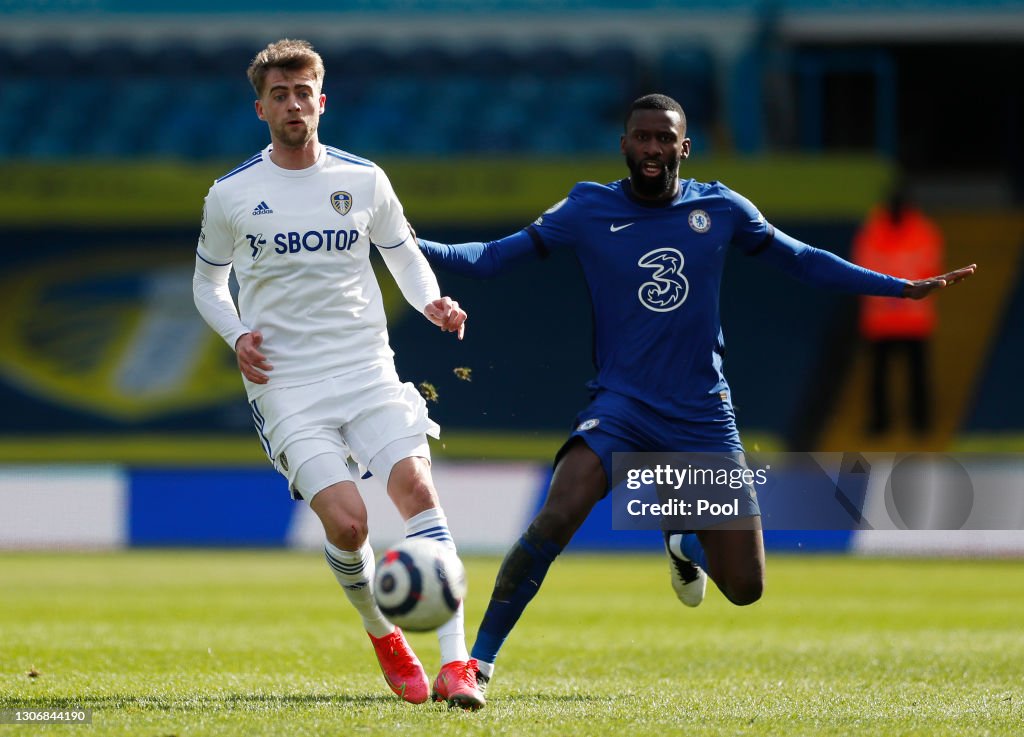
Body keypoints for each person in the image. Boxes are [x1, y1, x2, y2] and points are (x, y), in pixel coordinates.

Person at [417, 93, 976, 693]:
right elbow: (486, 260)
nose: (653, 148)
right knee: (556, 515)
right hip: (621, 406)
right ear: (625, 145)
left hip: (702, 417)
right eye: (642, 137)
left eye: (665, 138)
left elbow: (805, 260)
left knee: (745, 588)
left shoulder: (721, 207)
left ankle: (682, 539)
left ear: (684, 146)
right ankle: (475, 663)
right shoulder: (587, 207)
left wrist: (899, 288)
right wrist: (400, 242)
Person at [191, 39, 485, 710]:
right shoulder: (232, 195)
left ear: (321, 102)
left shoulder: (363, 180)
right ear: (261, 108)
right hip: (287, 382)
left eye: (304, 93)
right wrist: (236, 334)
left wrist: (432, 300)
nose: (293, 104)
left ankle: (457, 664)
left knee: (417, 491)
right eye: (279, 95)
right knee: (350, 526)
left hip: (366, 366)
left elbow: (404, 256)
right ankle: (383, 633)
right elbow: (208, 285)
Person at [852, 182, 944, 435]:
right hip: (883, 321)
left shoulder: (923, 231)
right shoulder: (873, 230)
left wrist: (892, 290)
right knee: (878, 377)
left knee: (917, 375)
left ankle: (921, 422)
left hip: (912, 321)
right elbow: (863, 267)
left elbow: (930, 267)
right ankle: (879, 423)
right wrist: (898, 291)